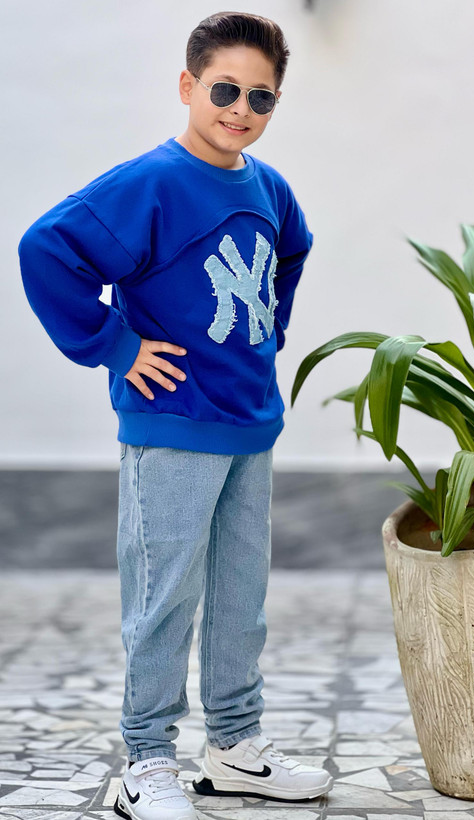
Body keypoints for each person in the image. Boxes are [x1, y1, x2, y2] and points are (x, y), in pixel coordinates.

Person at [18, 10, 334, 819]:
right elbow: (45, 249)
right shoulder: (150, 184)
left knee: (238, 597)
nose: (240, 109)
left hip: (247, 421)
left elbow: (290, 251)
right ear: (188, 86)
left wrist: (266, 336)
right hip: (173, 424)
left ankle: (233, 746)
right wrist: (116, 346)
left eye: (260, 97)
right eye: (224, 90)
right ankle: (146, 759)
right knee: (163, 596)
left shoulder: (268, 187)